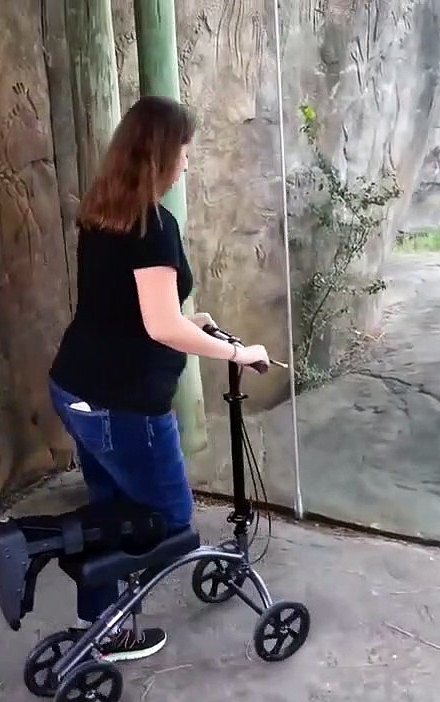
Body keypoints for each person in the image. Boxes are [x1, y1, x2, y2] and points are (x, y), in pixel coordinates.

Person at [47, 95, 270, 662]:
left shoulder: (104, 213)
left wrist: (195, 325)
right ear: (163, 155)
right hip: (122, 404)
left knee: (111, 508)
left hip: (76, 386)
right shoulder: (152, 225)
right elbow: (162, 326)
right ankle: (67, 572)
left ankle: (98, 621)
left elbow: (131, 313)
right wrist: (242, 355)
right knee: (171, 525)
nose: (189, 163)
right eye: (186, 152)